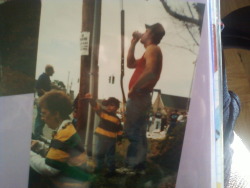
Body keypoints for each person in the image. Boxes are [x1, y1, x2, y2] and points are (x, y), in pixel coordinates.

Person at [121, 23, 165, 174]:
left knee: (133, 131)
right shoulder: (148, 51)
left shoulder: (153, 49)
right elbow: (130, 63)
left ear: (151, 34)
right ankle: (139, 167)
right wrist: (133, 44)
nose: (143, 33)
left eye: (146, 31)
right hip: (140, 97)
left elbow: (151, 71)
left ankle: (133, 166)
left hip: (139, 96)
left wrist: (135, 88)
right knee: (138, 132)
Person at [29, 90, 92, 188]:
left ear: (56, 114)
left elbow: (49, 168)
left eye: (44, 113)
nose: (42, 118)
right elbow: (60, 154)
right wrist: (39, 146)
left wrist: (27, 154)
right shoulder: (67, 127)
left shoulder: (64, 134)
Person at [84, 93, 123, 177]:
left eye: (112, 105)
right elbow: (96, 106)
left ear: (116, 108)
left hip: (111, 140)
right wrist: (91, 99)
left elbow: (119, 130)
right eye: (108, 105)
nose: (109, 107)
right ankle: (98, 168)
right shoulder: (103, 113)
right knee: (99, 154)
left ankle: (111, 170)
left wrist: (119, 139)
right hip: (100, 137)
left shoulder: (117, 119)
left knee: (110, 156)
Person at [34, 65, 54, 139]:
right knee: (40, 117)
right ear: (49, 70)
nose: (53, 72)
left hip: (44, 100)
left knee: (43, 117)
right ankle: (37, 134)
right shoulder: (42, 76)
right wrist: (46, 93)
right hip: (42, 99)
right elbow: (37, 87)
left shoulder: (47, 78)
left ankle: (39, 133)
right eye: (52, 70)